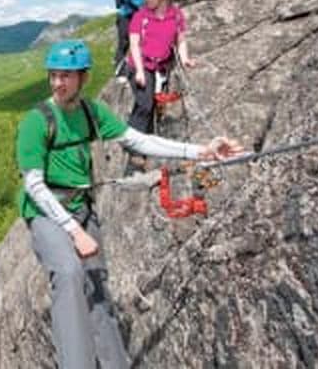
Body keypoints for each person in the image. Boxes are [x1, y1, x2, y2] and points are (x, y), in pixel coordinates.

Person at [16, 39, 242, 369]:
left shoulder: (91, 112)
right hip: (46, 212)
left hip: (80, 206)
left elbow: (139, 141)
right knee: (68, 273)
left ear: (83, 77)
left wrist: (201, 151)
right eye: (53, 75)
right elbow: (34, 184)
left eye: (66, 76)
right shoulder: (37, 121)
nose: (57, 83)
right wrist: (73, 231)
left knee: (96, 285)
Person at [126, 0, 193, 141]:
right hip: (138, 64)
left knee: (149, 104)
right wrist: (140, 71)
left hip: (159, 66)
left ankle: (144, 139)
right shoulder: (140, 16)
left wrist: (185, 59)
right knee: (145, 104)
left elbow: (180, 40)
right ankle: (133, 142)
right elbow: (134, 44)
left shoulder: (176, 15)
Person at [113, 0, 148, 81]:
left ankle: (137, 67)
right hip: (126, 15)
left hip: (140, 13)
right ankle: (120, 71)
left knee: (140, 41)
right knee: (124, 42)